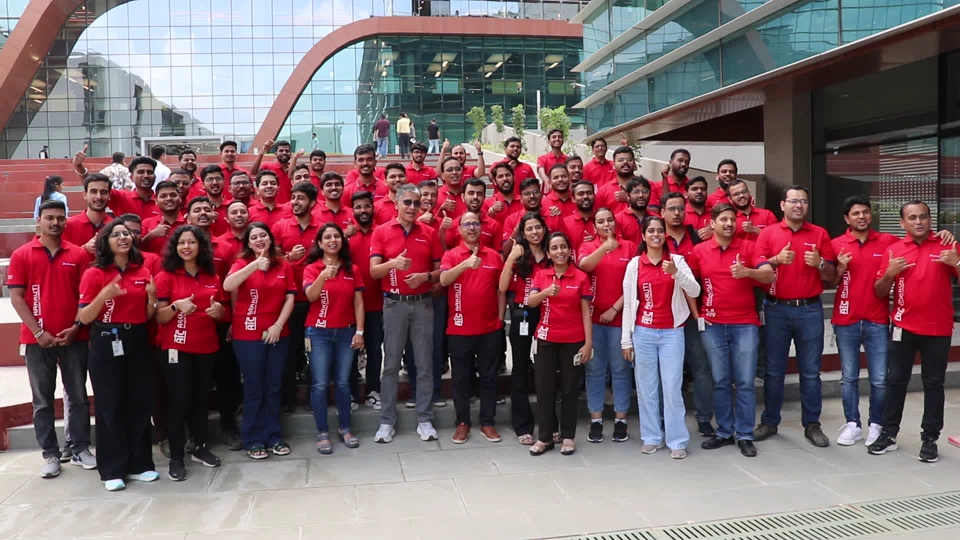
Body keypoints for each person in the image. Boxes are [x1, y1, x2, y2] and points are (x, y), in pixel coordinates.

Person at [9, 200, 95, 478]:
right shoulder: (22, 254)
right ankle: (50, 454)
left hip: (74, 338)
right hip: (37, 341)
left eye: (60, 218)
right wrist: (38, 332)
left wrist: (76, 326)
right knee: (43, 401)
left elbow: (85, 296)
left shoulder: (78, 254)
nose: (55, 222)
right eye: (49, 218)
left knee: (78, 396)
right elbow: (17, 297)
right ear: (39, 220)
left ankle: (80, 448)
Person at [868, 200, 959, 463]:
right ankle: (888, 433)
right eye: (912, 218)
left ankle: (930, 439)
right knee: (896, 381)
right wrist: (889, 273)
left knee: (934, 384)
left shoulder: (947, 245)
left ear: (930, 219)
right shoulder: (894, 251)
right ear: (902, 223)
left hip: (938, 328)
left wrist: (957, 261)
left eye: (923, 217)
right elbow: (879, 292)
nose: (918, 222)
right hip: (903, 327)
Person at [78, 220, 159, 491]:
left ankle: (140, 464)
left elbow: (147, 316)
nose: (123, 237)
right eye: (116, 234)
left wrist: (152, 299)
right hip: (105, 339)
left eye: (126, 234)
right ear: (106, 241)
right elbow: (84, 317)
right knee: (110, 405)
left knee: (139, 402)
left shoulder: (142, 270)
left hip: (136, 339)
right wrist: (104, 295)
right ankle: (112, 469)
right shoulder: (94, 273)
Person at [688, 204, 774, 458]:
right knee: (721, 381)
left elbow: (768, 275)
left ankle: (745, 434)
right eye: (723, 219)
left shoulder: (748, 247)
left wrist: (747, 272)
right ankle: (725, 431)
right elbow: (688, 283)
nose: (728, 223)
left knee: (745, 381)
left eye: (732, 219)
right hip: (712, 325)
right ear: (712, 224)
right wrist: (696, 313)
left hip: (745, 324)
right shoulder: (700, 251)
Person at [754, 185, 836, 448]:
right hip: (776, 309)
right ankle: (770, 421)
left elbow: (831, 275)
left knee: (810, 372)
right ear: (782, 205)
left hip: (810, 310)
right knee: (774, 371)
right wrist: (776, 260)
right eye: (793, 201)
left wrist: (820, 263)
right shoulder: (768, 233)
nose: (799, 205)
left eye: (803, 201)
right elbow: (758, 265)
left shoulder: (819, 233)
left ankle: (812, 424)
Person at [621, 215, 701, 459]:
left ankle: (677, 440)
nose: (655, 235)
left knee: (672, 387)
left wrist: (677, 273)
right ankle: (651, 436)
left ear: (665, 234)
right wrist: (626, 340)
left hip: (672, 333)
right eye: (651, 231)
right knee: (646, 387)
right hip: (643, 332)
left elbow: (695, 290)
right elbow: (628, 305)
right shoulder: (634, 265)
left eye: (659, 230)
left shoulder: (676, 260)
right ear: (643, 236)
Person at [369, 183, 441, 443]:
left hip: (423, 304)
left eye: (416, 203)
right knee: (390, 365)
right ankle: (386, 421)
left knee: (424, 364)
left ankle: (425, 419)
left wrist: (426, 276)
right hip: (394, 304)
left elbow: (441, 270)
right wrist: (393, 264)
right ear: (397, 203)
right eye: (407, 202)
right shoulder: (381, 231)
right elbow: (374, 272)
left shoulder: (429, 232)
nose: (412, 207)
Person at [154, 225, 225, 480]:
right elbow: (159, 317)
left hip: (206, 345)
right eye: (182, 242)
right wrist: (176, 306)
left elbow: (221, 310)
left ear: (200, 246)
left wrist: (219, 312)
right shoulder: (165, 276)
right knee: (179, 400)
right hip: (176, 347)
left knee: (200, 399)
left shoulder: (211, 276)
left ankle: (199, 447)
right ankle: (176, 456)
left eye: (191, 242)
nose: (186, 247)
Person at [224, 222, 295, 459]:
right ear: (248, 243)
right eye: (253, 237)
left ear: (270, 238)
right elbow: (228, 285)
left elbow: (290, 298)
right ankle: (253, 438)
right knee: (254, 387)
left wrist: (278, 325)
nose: (259, 240)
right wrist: (254, 265)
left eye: (263, 235)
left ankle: (274, 436)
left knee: (273, 386)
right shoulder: (242, 263)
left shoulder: (283, 263)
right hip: (248, 333)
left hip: (277, 331)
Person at [440, 212, 505, 444]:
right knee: (460, 379)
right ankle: (462, 423)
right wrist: (465, 264)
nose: (471, 227)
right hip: (459, 329)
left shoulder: (494, 256)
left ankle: (487, 422)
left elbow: (501, 289)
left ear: (481, 228)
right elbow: (444, 280)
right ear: (458, 230)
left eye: (475, 223)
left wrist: (500, 320)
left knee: (489, 378)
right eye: (466, 224)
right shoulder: (451, 254)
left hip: (490, 329)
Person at [526, 232, 592, 456]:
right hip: (546, 339)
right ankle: (544, 437)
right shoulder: (541, 275)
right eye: (554, 248)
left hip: (573, 341)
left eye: (563, 247)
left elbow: (586, 312)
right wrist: (546, 292)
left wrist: (588, 343)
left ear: (569, 251)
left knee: (570, 390)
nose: (559, 251)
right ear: (548, 253)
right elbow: (530, 301)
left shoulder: (580, 277)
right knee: (544, 390)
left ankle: (568, 436)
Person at [302, 224, 364, 453]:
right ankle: (322, 432)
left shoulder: (352, 269)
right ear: (320, 243)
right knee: (319, 383)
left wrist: (360, 331)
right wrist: (322, 276)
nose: (332, 240)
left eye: (336, 236)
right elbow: (311, 296)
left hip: (346, 332)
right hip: (318, 333)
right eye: (327, 237)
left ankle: (345, 428)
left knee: (343, 382)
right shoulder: (312, 268)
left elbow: (358, 303)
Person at [577, 208, 634, 443]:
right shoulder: (588, 246)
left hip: (620, 318)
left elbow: (633, 283)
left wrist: (615, 309)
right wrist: (604, 248)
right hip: (592, 319)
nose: (606, 224)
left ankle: (621, 419)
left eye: (610, 220)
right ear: (594, 226)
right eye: (600, 221)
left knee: (621, 369)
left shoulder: (629, 247)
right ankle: (596, 419)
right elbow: (584, 266)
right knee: (595, 369)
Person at [661, 192, 714, 437]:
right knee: (668, 372)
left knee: (701, 367)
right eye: (672, 209)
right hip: (664, 315)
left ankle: (704, 418)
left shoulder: (696, 239)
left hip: (694, 314)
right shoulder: (655, 238)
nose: (677, 213)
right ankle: (665, 419)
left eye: (681, 208)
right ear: (662, 212)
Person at [499, 213, 551, 445]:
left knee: (546, 370)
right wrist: (511, 257)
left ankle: (550, 423)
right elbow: (502, 286)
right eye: (529, 229)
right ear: (523, 232)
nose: (534, 232)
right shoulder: (519, 255)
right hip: (522, 315)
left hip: (549, 314)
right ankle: (522, 424)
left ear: (544, 229)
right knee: (520, 370)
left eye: (538, 227)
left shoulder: (551, 253)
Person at [271, 182, 322, 413]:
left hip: (315, 300)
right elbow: (270, 262)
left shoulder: (322, 229)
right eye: (293, 197)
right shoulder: (280, 226)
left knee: (314, 352)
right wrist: (289, 257)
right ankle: (288, 399)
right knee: (288, 352)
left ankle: (314, 398)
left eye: (300, 198)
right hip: (288, 301)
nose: (295, 202)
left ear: (312, 202)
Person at [349, 192, 385, 410]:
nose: (363, 210)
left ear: (373, 208)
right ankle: (352, 394)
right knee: (350, 352)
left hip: (377, 303)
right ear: (352, 210)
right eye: (358, 207)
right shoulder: (344, 235)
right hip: (349, 305)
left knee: (374, 350)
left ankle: (373, 390)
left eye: (366, 206)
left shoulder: (381, 232)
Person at [63, 174, 112, 253]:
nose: (99, 197)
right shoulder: (68, 225)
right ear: (85, 195)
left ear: (109, 195)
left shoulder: (114, 226)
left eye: (103, 192)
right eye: (93, 192)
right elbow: (61, 257)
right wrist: (84, 249)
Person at [141, 181, 184, 253]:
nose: (169, 198)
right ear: (156, 200)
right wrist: (151, 235)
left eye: (173, 195)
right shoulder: (146, 223)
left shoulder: (189, 222)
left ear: (180, 198)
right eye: (163, 196)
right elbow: (136, 249)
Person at [596, 146, 638, 214]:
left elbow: (654, 212)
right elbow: (598, 216)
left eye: (629, 159)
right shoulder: (603, 191)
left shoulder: (647, 186)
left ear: (634, 163)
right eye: (620, 160)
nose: (625, 162)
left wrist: (629, 200)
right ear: (613, 165)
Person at [250, 139, 293, 204]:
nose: (284, 152)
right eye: (281, 150)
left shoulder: (294, 169)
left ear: (290, 154)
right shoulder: (268, 166)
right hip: (272, 207)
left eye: (287, 151)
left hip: (290, 207)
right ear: (275, 153)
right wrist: (262, 151)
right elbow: (253, 172)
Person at [614, 177, 654, 245]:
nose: (641, 195)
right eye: (636, 192)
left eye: (645, 191)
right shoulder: (618, 219)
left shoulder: (656, 218)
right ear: (628, 194)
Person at [561, 181, 597, 253]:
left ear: (594, 196)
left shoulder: (603, 220)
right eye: (580, 194)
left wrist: (597, 242)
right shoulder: (564, 223)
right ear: (573, 199)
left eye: (589, 193)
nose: (585, 196)